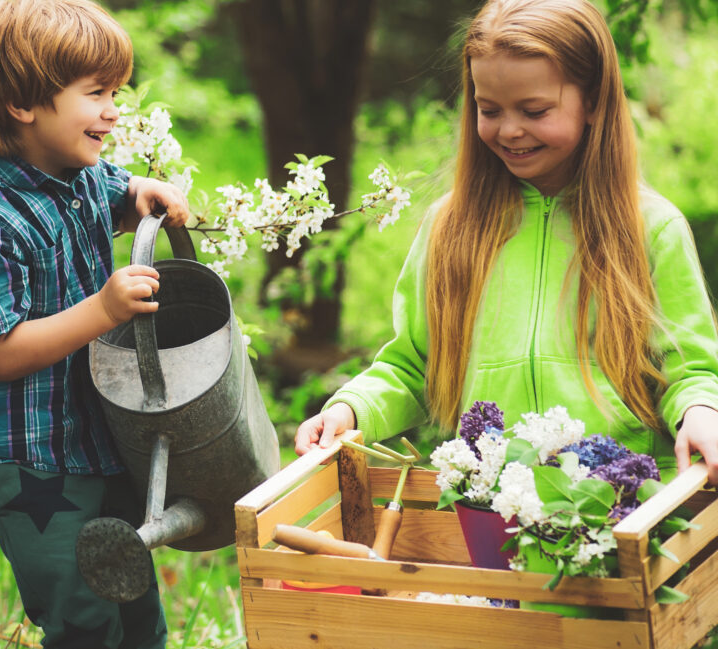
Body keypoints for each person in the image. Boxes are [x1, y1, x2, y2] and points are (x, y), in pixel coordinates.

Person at [295, 0, 718, 484]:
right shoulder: (449, 228)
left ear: (595, 102)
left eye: (535, 110)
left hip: (624, 510)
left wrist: (701, 411)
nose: (510, 130)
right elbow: (413, 365)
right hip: (488, 513)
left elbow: (688, 368)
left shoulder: (651, 228)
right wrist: (352, 409)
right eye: (488, 109)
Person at [0, 0, 189, 646]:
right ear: (24, 105)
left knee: (129, 594)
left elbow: (113, 191)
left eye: (115, 92)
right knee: (79, 610)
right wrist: (101, 310)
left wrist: (140, 194)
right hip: (26, 460)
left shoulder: (77, 177)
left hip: (90, 439)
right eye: (96, 93)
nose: (112, 109)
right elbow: (1, 353)